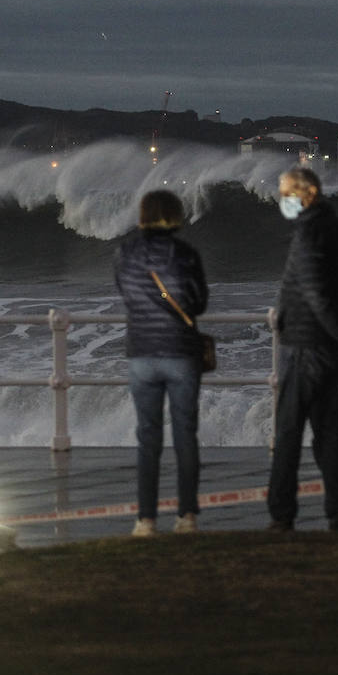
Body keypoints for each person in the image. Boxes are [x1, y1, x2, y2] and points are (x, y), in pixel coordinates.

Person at [266, 166, 338, 531]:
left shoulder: (310, 233)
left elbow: (314, 292)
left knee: (289, 433)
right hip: (334, 350)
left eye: (286, 194)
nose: (282, 201)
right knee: (328, 433)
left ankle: (281, 515)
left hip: (306, 346)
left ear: (305, 194)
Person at [114, 189, 209, 536]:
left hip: (141, 353)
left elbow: (126, 295)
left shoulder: (125, 253)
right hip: (180, 353)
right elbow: (198, 303)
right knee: (185, 435)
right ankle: (186, 517)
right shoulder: (184, 254)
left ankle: (145, 520)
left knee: (148, 438)